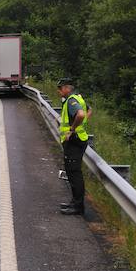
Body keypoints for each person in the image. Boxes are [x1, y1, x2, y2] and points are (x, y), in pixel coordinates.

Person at [57, 78, 91, 215]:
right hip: (78, 140)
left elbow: (81, 114)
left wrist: (72, 129)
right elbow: (89, 111)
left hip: (74, 142)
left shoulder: (71, 100)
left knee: (74, 173)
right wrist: (80, 125)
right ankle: (75, 203)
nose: (58, 91)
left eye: (60, 89)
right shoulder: (78, 98)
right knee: (73, 172)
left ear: (66, 88)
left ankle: (78, 206)